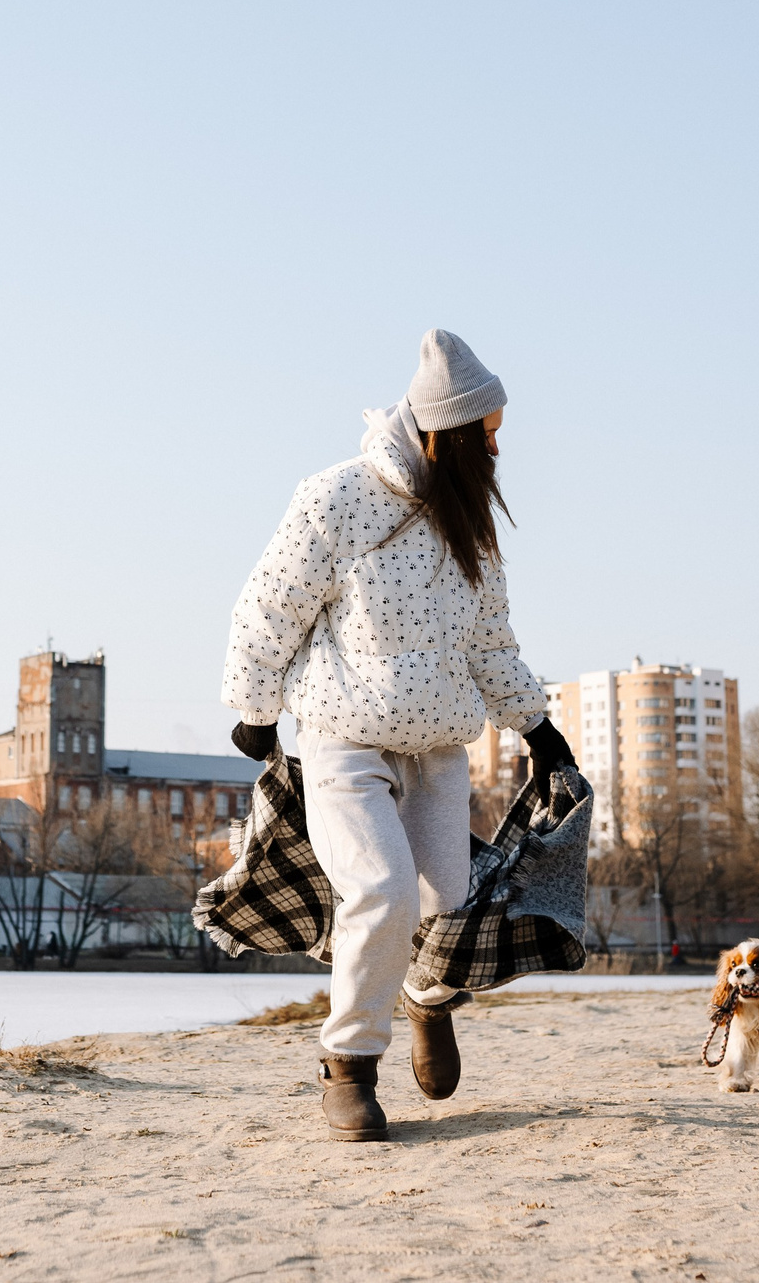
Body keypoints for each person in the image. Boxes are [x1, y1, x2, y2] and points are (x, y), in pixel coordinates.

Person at [221, 329, 574, 1142]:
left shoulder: (471, 524)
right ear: (443, 432)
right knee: (379, 890)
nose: (497, 448)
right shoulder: (334, 498)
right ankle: (348, 1067)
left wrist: (538, 727)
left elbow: (491, 642)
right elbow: (270, 603)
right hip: (343, 736)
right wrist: (255, 703)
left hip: (438, 747)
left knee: (446, 907)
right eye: (486, 434)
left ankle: (425, 999)